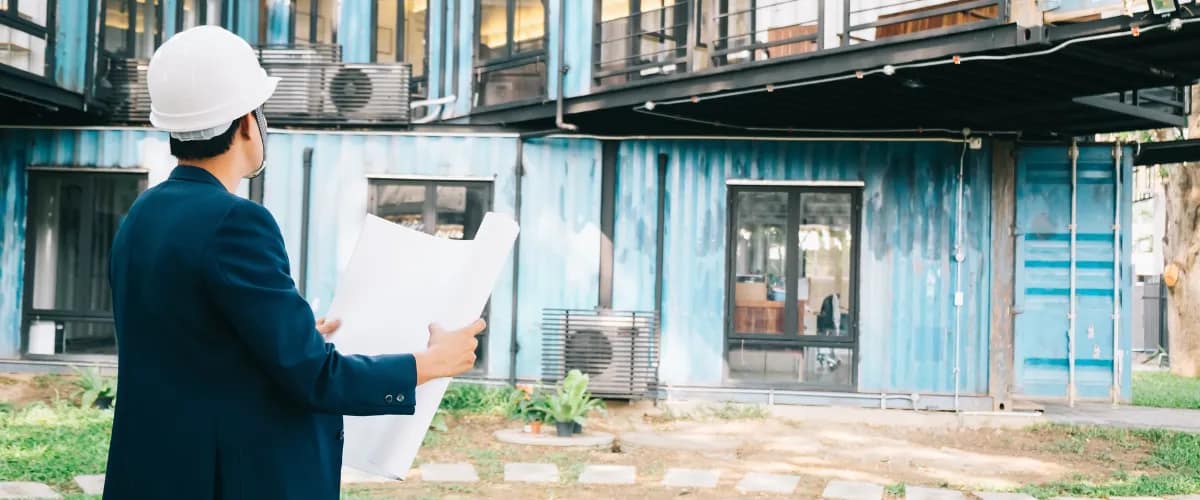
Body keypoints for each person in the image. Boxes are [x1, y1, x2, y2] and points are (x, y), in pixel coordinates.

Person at [103, 26, 485, 499]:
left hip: (157, 475)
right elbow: (315, 380)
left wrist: (287, 338)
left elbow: (187, 350)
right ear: (248, 121)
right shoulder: (236, 222)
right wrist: (429, 364)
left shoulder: (143, 215)